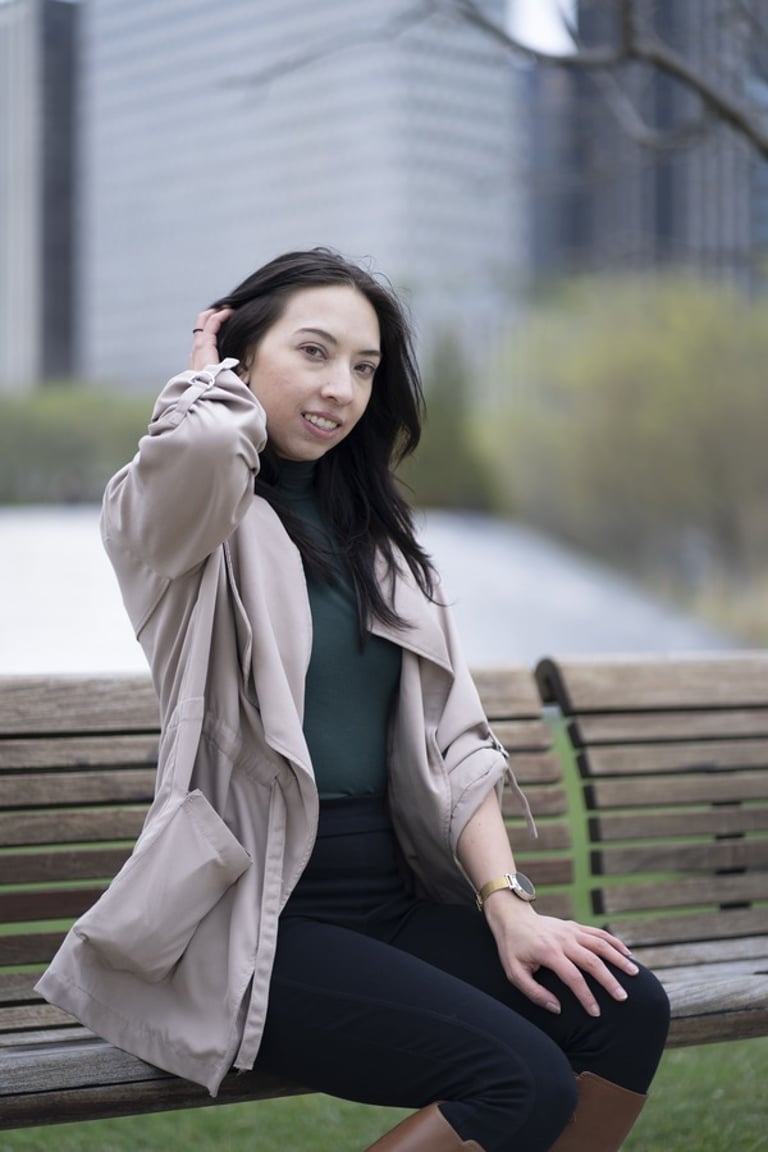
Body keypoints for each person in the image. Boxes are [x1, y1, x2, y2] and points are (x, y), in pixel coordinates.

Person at [36, 249, 670, 1151]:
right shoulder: (181, 531)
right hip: (258, 923)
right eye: (314, 353)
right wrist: (203, 376)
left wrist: (506, 903)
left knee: (622, 1005)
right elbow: (208, 450)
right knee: (514, 1078)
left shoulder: (383, 547)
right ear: (243, 359)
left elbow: (459, 745)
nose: (340, 388)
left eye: (364, 368)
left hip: (390, 901)